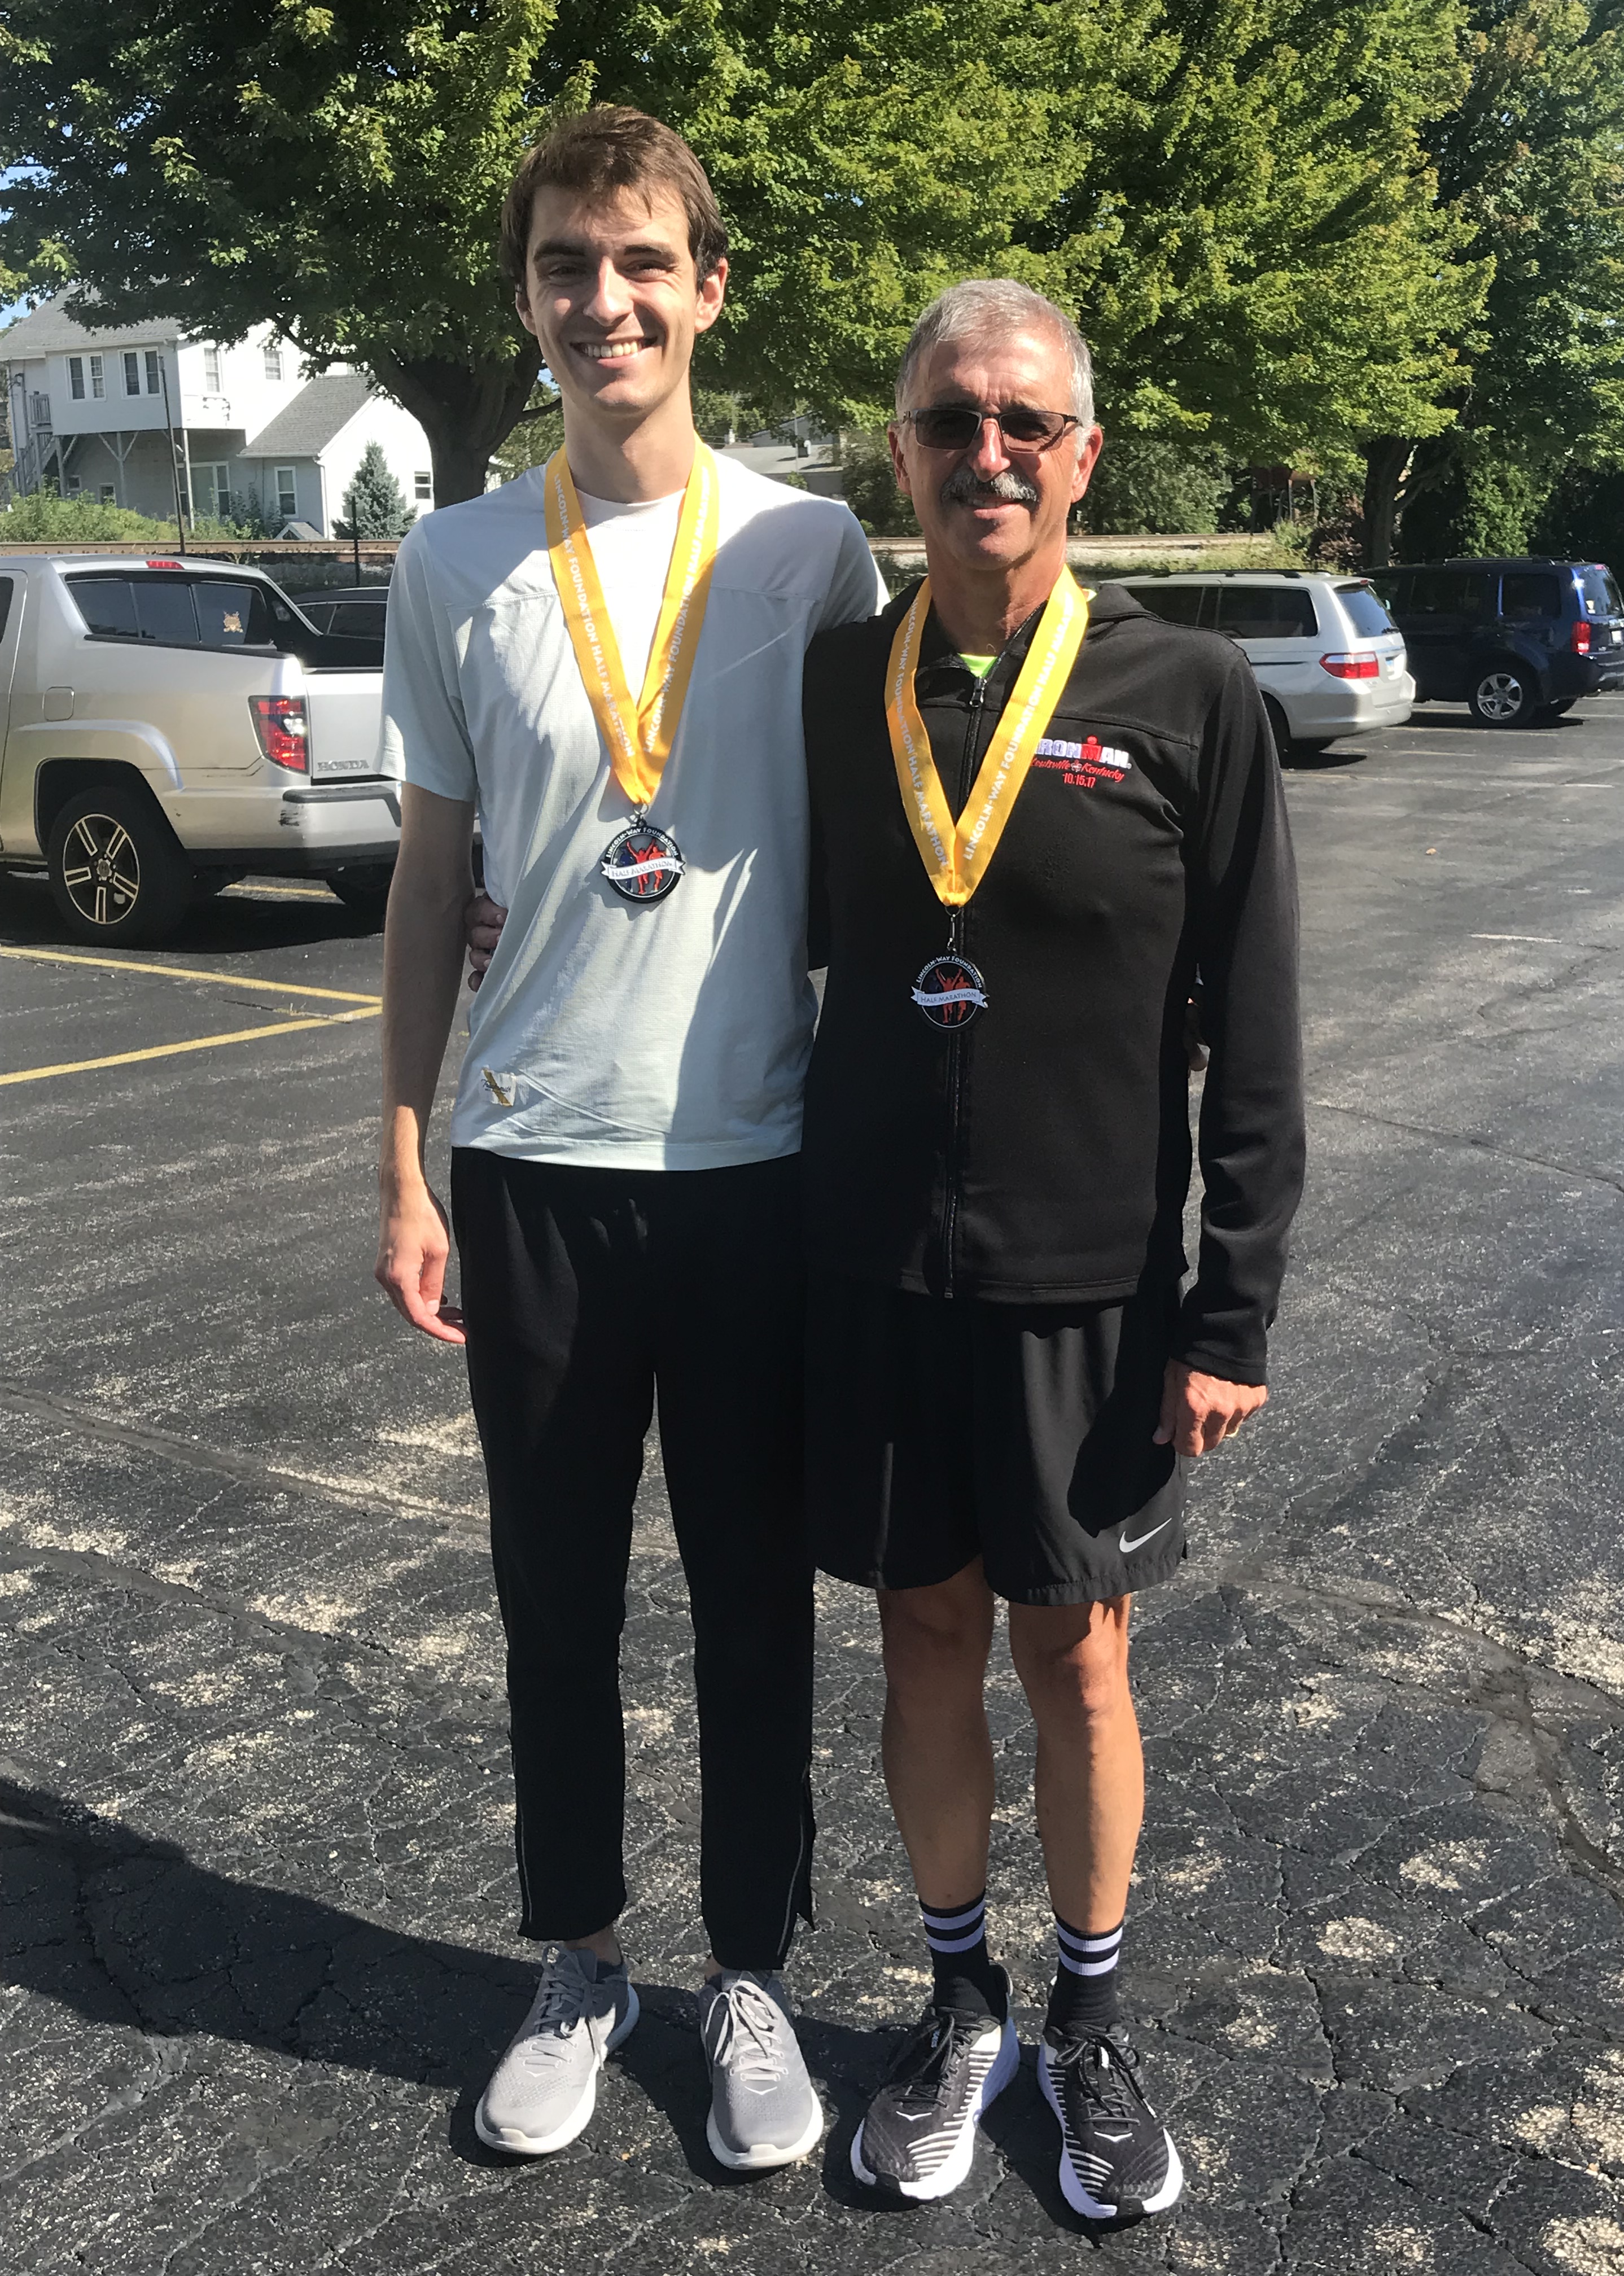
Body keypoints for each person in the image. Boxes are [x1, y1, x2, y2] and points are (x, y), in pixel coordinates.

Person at [374, 106, 882, 2173]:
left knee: (757, 1603)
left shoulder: (809, 552)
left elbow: (886, 856)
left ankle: (748, 1971)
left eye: (642, 261)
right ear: (526, 298)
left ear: (708, 287)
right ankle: (580, 1960)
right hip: (534, 1171)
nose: (606, 301)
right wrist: (402, 1161)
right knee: (555, 1602)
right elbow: (432, 879)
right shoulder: (453, 561)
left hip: (757, 1168)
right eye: (567, 266)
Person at [798, 279, 1305, 2221]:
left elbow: (1257, 1023)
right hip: (872, 1272)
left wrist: (1230, 1304)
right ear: (901, 453)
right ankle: (961, 2007)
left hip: (1089, 1286)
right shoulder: (840, 684)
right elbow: (747, 926)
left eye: (1026, 422)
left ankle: (1089, 2021)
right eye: (952, 421)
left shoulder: (1192, 693)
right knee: (922, 1633)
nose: (987, 453)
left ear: (1084, 454)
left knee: (1077, 1659)